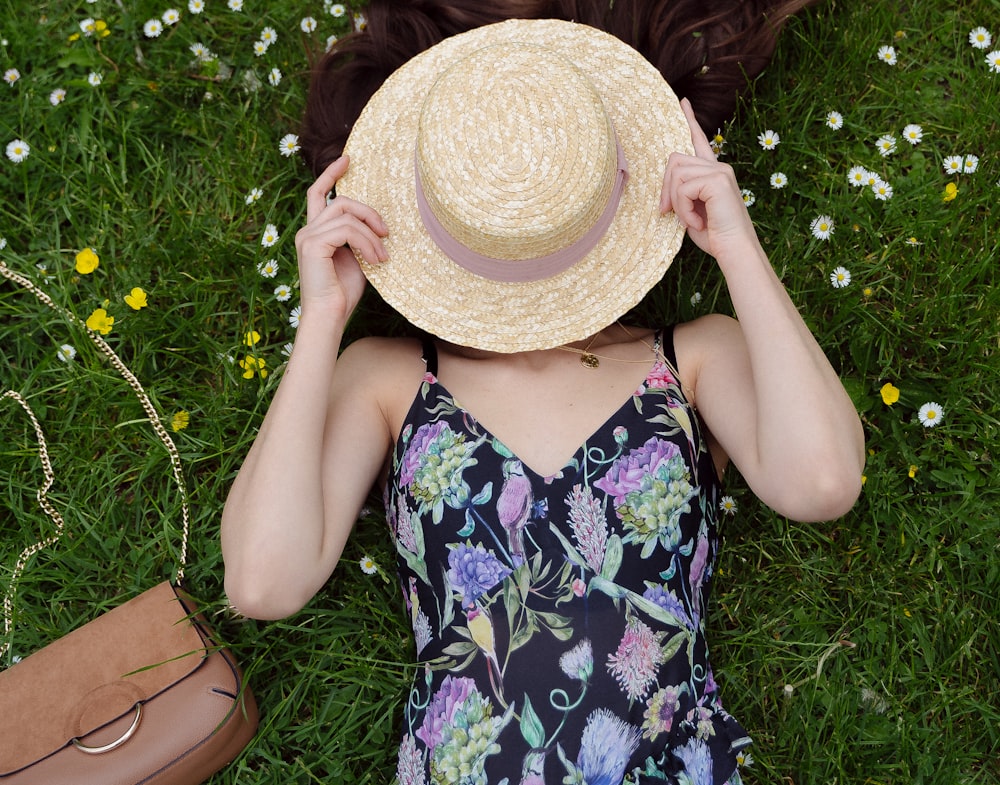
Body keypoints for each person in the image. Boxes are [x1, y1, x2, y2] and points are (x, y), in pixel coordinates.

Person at [221, 11, 863, 785]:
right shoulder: (388, 378)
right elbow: (261, 582)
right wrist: (321, 319)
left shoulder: (691, 357)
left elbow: (823, 482)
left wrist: (737, 246)